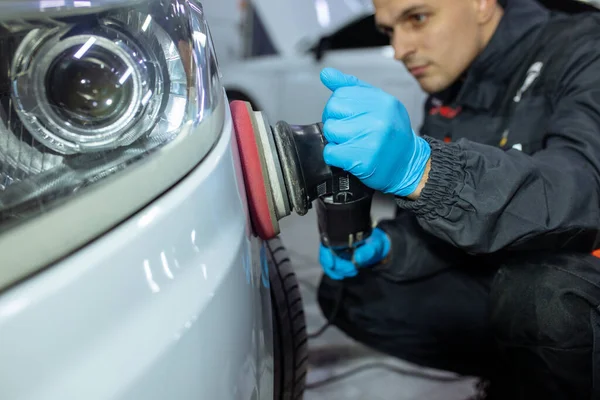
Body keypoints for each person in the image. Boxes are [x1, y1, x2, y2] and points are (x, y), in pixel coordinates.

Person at [314, 0, 600, 399]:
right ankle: (523, 376)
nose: (400, 50)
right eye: (389, 31)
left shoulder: (585, 49)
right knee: (350, 292)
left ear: (481, 3)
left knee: (541, 297)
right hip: (505, 275)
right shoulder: (451, 86)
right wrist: (391, 247)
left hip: (580, 275)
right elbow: (436, 227)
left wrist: (428, 171)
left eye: (417, 18)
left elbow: (583, 187)